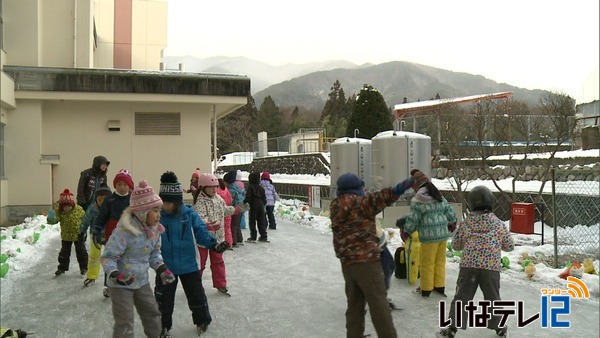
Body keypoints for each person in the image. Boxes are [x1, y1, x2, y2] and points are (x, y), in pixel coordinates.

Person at [330, 172, 413, 338]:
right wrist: (409, 183)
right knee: (379, 306)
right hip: (366, 262)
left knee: (354, 307)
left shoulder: (335, 206)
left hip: (348, 264)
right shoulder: (361, 204)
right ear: (357, 190)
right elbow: (384, 196)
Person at [155, 171, 229, 337]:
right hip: (165, 267)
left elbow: (201, 231)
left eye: (168, 202)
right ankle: (161, 325)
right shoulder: (158, 217)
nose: (165, 206)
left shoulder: (189, 214)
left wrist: (213, 244)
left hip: (189, 265)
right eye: (163, 202)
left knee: (196, 296)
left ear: (177, 201)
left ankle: (202, 320)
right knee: (162, 300)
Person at [436, 186, 514, 338]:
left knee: (462, 297)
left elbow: (456, 245)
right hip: (490, 268)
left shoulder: (466, 223)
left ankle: (451, 328)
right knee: (493, 297)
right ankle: (500, 328)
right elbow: (509, 246)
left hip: (468, 267)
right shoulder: (498, 224)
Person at [101, 179, 174, 338]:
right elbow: (108, 257)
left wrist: (161, 268)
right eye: (154, 210)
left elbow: (154, 254)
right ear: (142, 212)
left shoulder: (154, 231)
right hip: (121, 284)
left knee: (152, 313)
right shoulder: (124, 232)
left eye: (159, 210)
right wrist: (114, 274)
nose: (158, 215)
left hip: (141, 281)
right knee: (125, 321)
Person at [403, 169, 458, 297]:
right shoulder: (437, 195)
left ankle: (426, 289)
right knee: (440, 262)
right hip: (442, 235)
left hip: (428, 237)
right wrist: (452, 221)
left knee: (427, 264)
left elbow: (413, 218)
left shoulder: (418, 199)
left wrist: (407, 231)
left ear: (417, 185)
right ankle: (439, 287)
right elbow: (449, 210)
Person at [194, 173, 248, 295]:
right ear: (203, 187)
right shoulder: (200, 202)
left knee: (218, 261)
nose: (215, 189)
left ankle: (221, 284)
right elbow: (199, 219)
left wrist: (236, 209)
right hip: (203, 240)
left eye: (216, 187)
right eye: (211, 187)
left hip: (217, 238)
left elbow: (225, 210)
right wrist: (209, 225)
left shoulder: (218, 198)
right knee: (200, 264)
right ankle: (195, 285)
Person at [91, 168, 134, 298]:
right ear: (115, 185)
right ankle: (109, 285)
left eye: (125, 184)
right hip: (112, 236)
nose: (122, 187)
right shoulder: (109, 200)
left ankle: (127, 284)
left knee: (127, 261)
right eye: (119, 184)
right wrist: (97, 230)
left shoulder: (133, 200)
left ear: (130, 186)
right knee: (110, 260)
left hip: (129, 237)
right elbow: (101, 217)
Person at [47, 189, 88, 276]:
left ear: (72, 204)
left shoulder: (79, 210)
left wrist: (85, 230)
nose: (67, 208)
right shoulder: (60, 213)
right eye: (65, 207)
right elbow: (55, 220)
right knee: (64, 253)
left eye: (69, 206)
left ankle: (84, 267)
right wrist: (51, 218)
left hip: (78, 235)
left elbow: (86, 219)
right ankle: (62, 268)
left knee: (81, 252)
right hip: (66, 236)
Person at [79, 185, 112, 287]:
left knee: (110, 259)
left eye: (105, 199)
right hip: (95, 236)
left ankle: (110, 283)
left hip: (110, 237)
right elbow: (85, 220)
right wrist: (82, 232)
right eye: (99, 199)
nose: (102, 202)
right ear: (96, 199)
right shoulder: (92, 209)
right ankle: (92, 276)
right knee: (94, 256)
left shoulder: (113, 209)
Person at [244, 172, 269, 242]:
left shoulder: (250, 187)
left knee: (252, 221)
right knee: (261, 221)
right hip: (260, 205)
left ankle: (253, 236)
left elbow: (248, 197)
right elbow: (264, 198)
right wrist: (263, 203)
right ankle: (263, 236)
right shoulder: (261, 188)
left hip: (253, 206)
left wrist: (245, 202)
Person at [223, 170, 245, 247]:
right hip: (241, 208)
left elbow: (230, 200)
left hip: (236, 209)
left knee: (233, 225)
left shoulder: (231, 189)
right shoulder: (236, 186)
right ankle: (239, 239)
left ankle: (234, 241)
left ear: (227, 182)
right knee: (237, 224)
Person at [217, 177, 234, 248]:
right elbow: (230, 200)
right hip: (227, 211)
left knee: (219, 229)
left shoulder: (216, 192)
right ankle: (229, 243)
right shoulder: (226, 190)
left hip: (219, 212)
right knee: (227, 229)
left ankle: (220, 244)